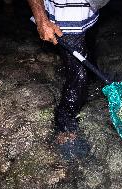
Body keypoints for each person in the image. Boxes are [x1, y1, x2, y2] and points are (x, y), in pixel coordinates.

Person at [27, 0, 100, 160]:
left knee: (88, 54)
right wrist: (41, 19)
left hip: (87, 11)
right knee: (78, 74)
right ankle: (65, 125)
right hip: (67, 14)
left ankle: (87, 80)